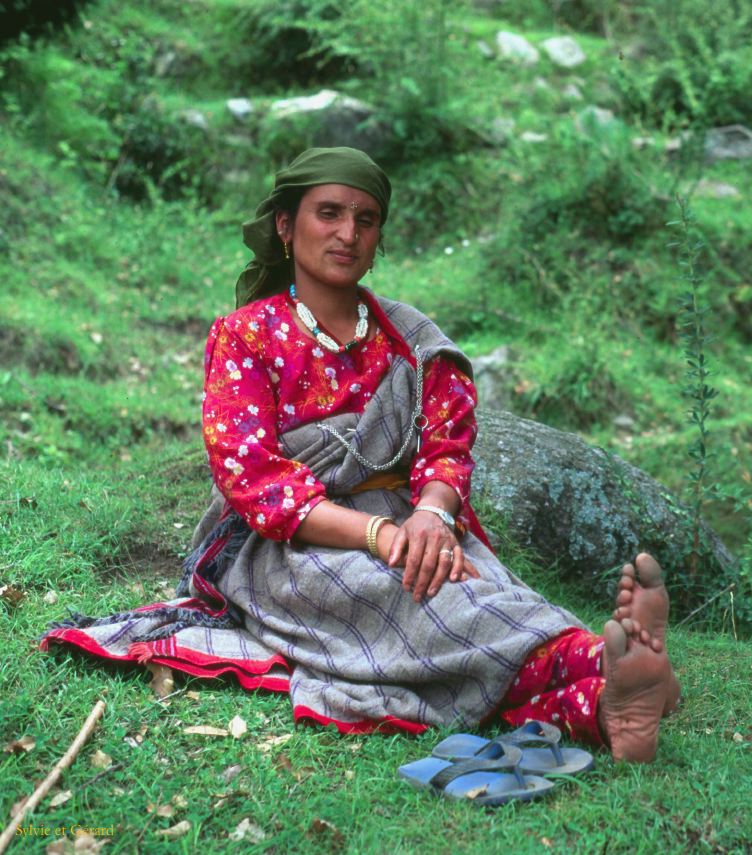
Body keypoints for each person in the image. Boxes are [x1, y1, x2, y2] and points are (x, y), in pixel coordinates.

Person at [42, 147, 680, 762]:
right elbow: (255, 480)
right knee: (415, 601)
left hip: (414, 519)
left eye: (365, 219)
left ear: (378, 238)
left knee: (481, 588)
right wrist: (377, 534)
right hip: (290, 543)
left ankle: (603, 691)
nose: (348, 232)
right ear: (286, 227)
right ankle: (605, 673)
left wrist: (430, 515)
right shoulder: (245, 337)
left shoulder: (413, 339)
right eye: (329, 214)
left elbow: (448, 444)